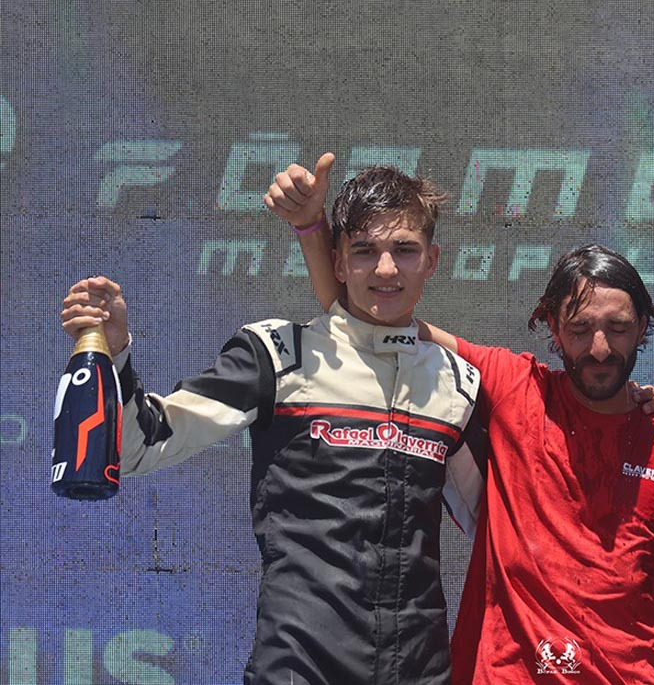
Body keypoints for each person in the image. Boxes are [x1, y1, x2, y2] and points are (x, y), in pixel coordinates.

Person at [267, 159, 654, 685]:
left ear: (643, 327)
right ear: (553, 329)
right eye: (580, 328)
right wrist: (311, 228)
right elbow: (365, 317)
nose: (600, 348)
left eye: (619, 327)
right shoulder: (515, 387)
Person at [61, 166, 482, 685]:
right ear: (338, 261)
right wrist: (114, 351)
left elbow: (500, 529)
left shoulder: (458, 383)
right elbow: (136, 447)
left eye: (405, 249)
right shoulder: (277, 356)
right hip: (298, 669)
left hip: (420, 671)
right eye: (365, 250)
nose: (386, 268)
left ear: (432, 261)